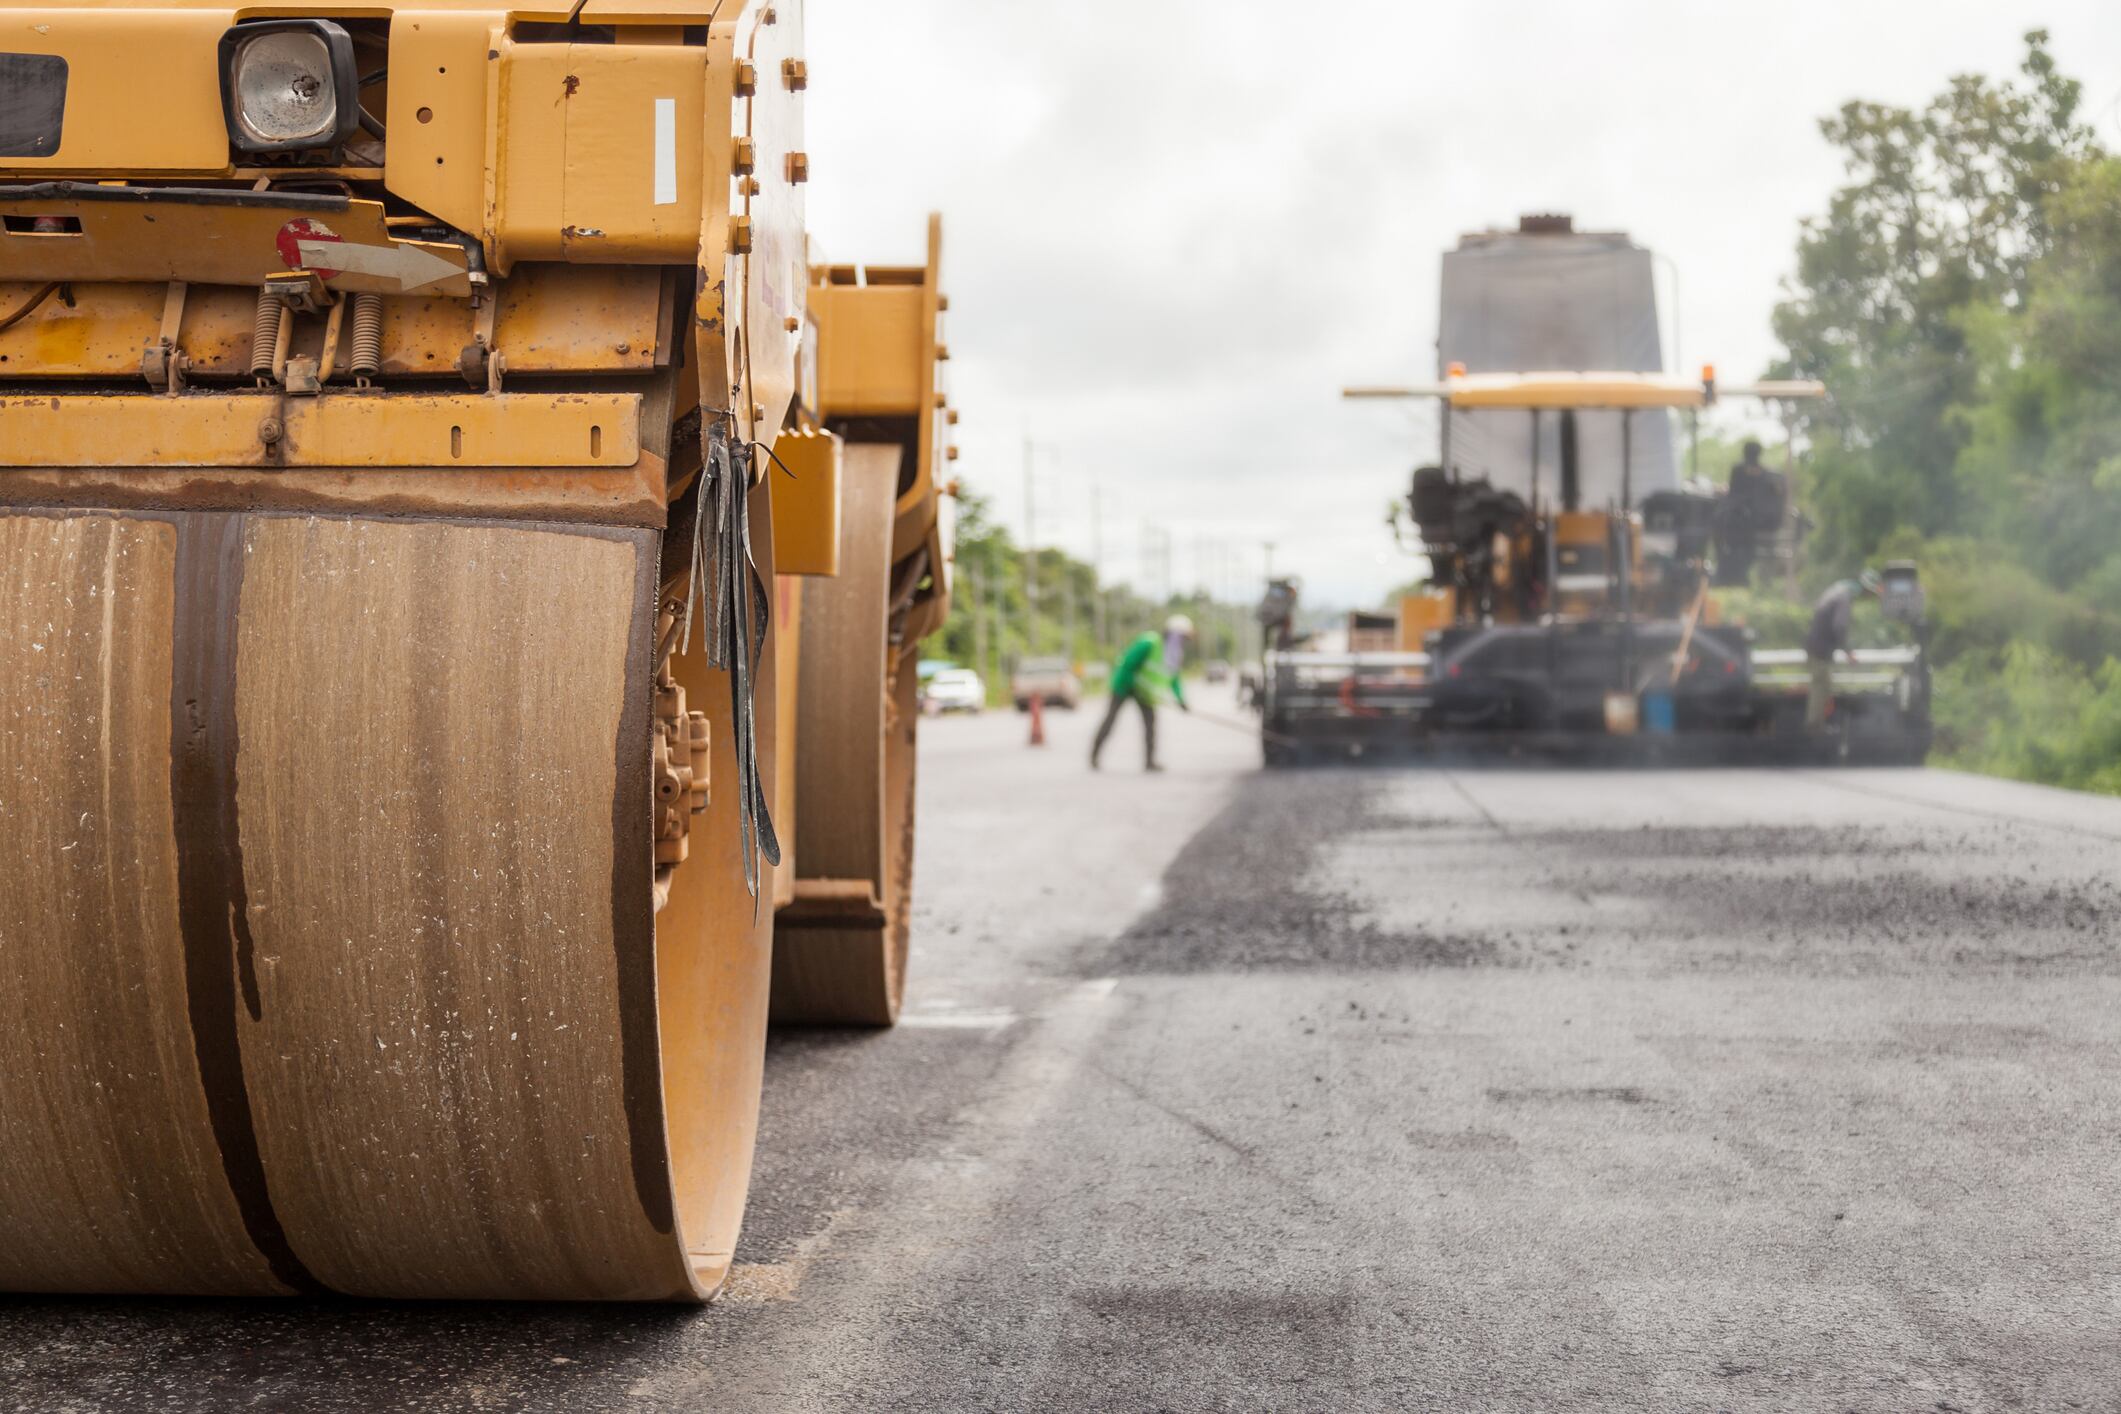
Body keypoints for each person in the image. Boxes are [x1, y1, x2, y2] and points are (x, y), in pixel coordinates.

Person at [1091, 616, 1192, 772]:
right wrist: (1134, 683)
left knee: (1150, 725)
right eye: (1181, 636)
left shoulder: (1174, 655)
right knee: (1110, 719)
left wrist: (1181, 700)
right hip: (1124, 686)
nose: (1182, 640)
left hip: (1145, 693)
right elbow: (1127, 664)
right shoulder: (1149, 642)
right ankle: (1094, 756)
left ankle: (1150, 761)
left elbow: (1174, 680)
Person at [1805, 570, 1882, 730]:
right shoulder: (1844, 598)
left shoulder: (1838, 590)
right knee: (1821, 688)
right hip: (1820, 650)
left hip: (1815, 646)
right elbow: (1839, 626)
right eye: (1870, 593)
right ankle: (1814, 730)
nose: (1869, 597)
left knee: (1822, 687)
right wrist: (1848, 652)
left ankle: (1817, 727)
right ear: (1865, 589)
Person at [1716, 441, 1788, 586]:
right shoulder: (1768, 474)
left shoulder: (1739, 470)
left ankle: (1729, 574)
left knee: (1719, 523)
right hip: (1761, 522)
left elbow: (1733, 494)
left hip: (1742, 521)